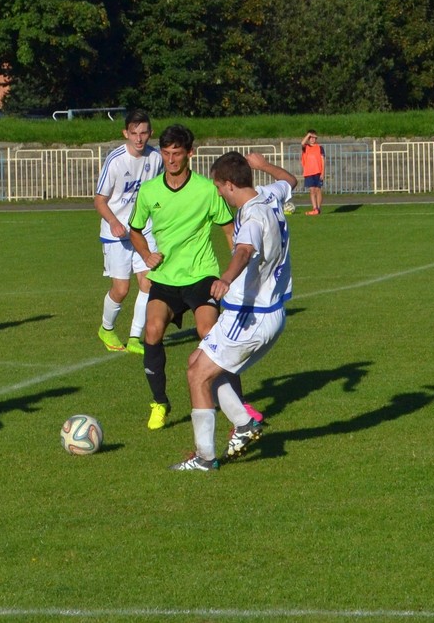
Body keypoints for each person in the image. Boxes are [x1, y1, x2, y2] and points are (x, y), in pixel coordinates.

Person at [170, 151, 297, 472]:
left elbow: (244, 250)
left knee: (197, 376)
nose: (217, 192)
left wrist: (225, 278)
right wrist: (263, 166)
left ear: (228, 185)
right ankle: (243, 423)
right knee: (197, 362)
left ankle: (205, 457)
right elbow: (290, 181)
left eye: (217, 186)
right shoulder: (268, 195)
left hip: (250, 316)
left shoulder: (253, 216)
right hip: (267, 311)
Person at [128, 124, 239, 431]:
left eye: (177, 153)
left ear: (190, 153)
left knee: (209, 333)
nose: (170, 160)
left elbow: (229, 231)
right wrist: (147, 254)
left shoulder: (206, 190)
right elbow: (135, 230)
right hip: (165, 278)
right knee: (151, 331)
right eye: (165, 153)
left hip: (201, 274)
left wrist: (235, 273)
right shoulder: (150, 191)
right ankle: (160, 403)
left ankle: (235, 403)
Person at [94, 111, 162, 355]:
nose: (139, 138)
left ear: (150, 133)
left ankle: (135, 338)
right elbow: (100, 200)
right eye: (134, 133)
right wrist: (113, 222)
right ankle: (106, 328)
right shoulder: (115, 160)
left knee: (148, 282)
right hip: (117, 235)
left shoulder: (156, 158)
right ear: (125, 133)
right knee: (121, 289)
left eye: (143, 132)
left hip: (143, 231)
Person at [301, 130, 325, 215]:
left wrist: (323, 172)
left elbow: (323, 160)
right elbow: (302, 143)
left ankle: (318, 208)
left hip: (318, 171)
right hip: (309, 172)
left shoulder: (320, 147)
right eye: (311, 137)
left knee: (318, 190)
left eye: (314, 138)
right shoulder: (306, 147)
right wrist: (308, 135)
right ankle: (314, 208)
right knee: (312, 190)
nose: (312, 139)